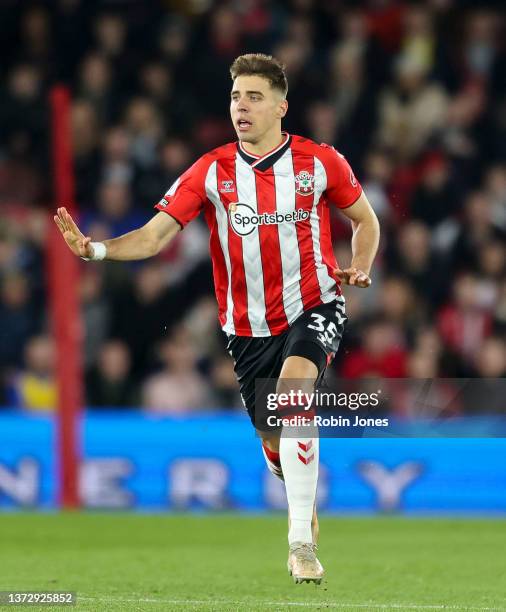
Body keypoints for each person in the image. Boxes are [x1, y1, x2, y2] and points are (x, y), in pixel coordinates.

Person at [54, 53, 380, 584]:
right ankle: (295, 486)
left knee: (295, 395)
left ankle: (301, 545)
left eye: (253, 96)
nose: (241, 107)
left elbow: (365, 221)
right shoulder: (210, 170)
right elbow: (155, 235)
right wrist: (94, 250)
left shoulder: (320, 163)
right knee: (273, 437)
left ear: (281, 106)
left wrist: (361, 264)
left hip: (314, 302)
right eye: (235, 97)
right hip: (246, 327)